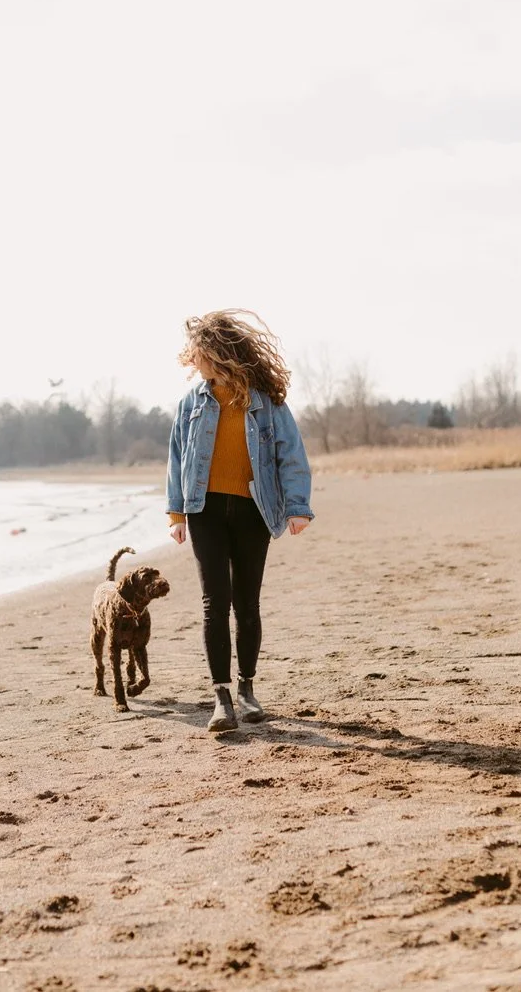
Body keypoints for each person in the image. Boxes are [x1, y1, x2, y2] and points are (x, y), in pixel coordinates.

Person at [166, 309, 314, 733]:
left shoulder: (266, 401)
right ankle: (221, 698)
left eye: (198, 353)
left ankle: (248, 691)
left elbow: (291, 454)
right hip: (204, 511)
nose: (194, 362)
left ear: (217, 353)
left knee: (246, 604)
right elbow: (177, 458)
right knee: (215, 603)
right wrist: (176, 513)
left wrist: (297, 506)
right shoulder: (190, 403)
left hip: (253, 509)